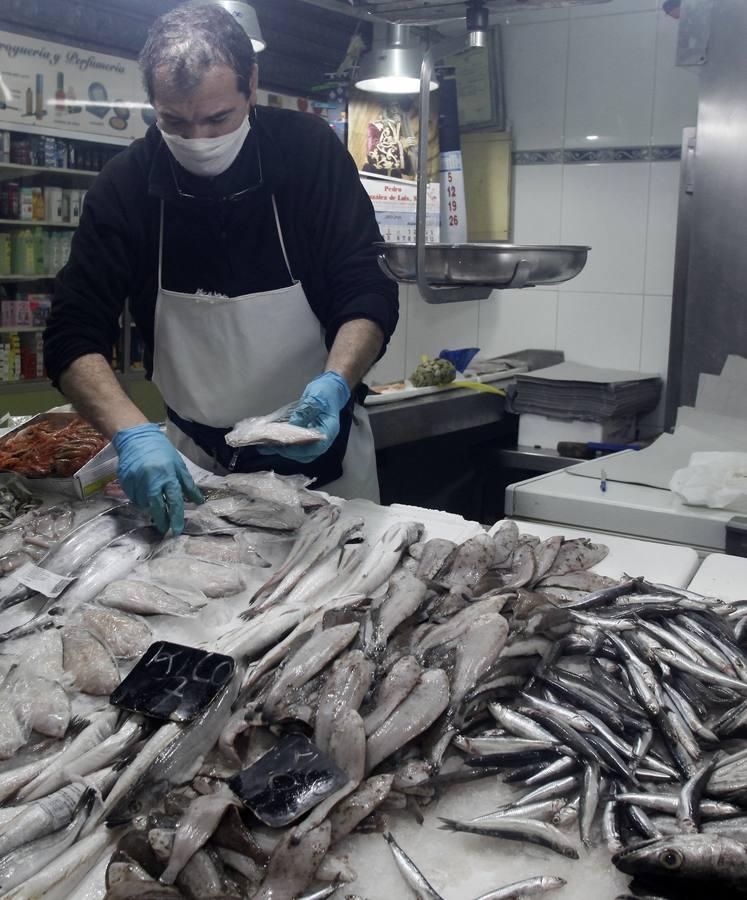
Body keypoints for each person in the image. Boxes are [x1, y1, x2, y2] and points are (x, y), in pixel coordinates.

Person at [43, 3, 398, 535]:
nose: (200, 140)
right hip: (194, 470)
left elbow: (367, 287)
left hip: (326, 463)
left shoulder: (307, 153)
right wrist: (131, 434)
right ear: (152, 103)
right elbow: (72, 332)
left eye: (218, 118)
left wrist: (335, 384)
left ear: (251, 83)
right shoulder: (125, 186)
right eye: (175, 122)